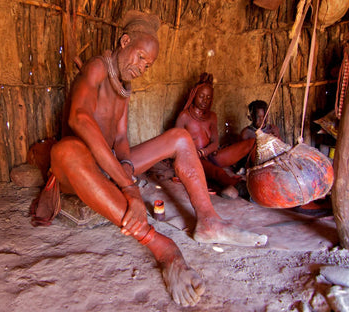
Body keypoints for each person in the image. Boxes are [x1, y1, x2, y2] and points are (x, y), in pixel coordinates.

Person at [35, 11, 267, 307]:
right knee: (66, 150)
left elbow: (120, 139)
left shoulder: (124, 87)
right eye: (140, 57)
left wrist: (127, 169)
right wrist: (129, 188)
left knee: (180, 138)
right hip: (78, 171)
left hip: (110, 168)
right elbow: (79, 119)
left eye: (148, 63)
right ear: (125, 41)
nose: (143, 67)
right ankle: (162, 247)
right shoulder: (96, 68)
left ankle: (209, 221)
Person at [175, 73, 256, 199]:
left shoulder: (212, 116)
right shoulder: (184, 116)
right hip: (194, 159)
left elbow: (215, 142)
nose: (204, 101)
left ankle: (258, 175)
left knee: (251, 143)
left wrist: (204, 151)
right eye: (201, 96)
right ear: (194, 96)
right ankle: (241, 187)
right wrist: (194, 155)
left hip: (211, 155)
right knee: (218, 172)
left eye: (208, 97)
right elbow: (175, 145)